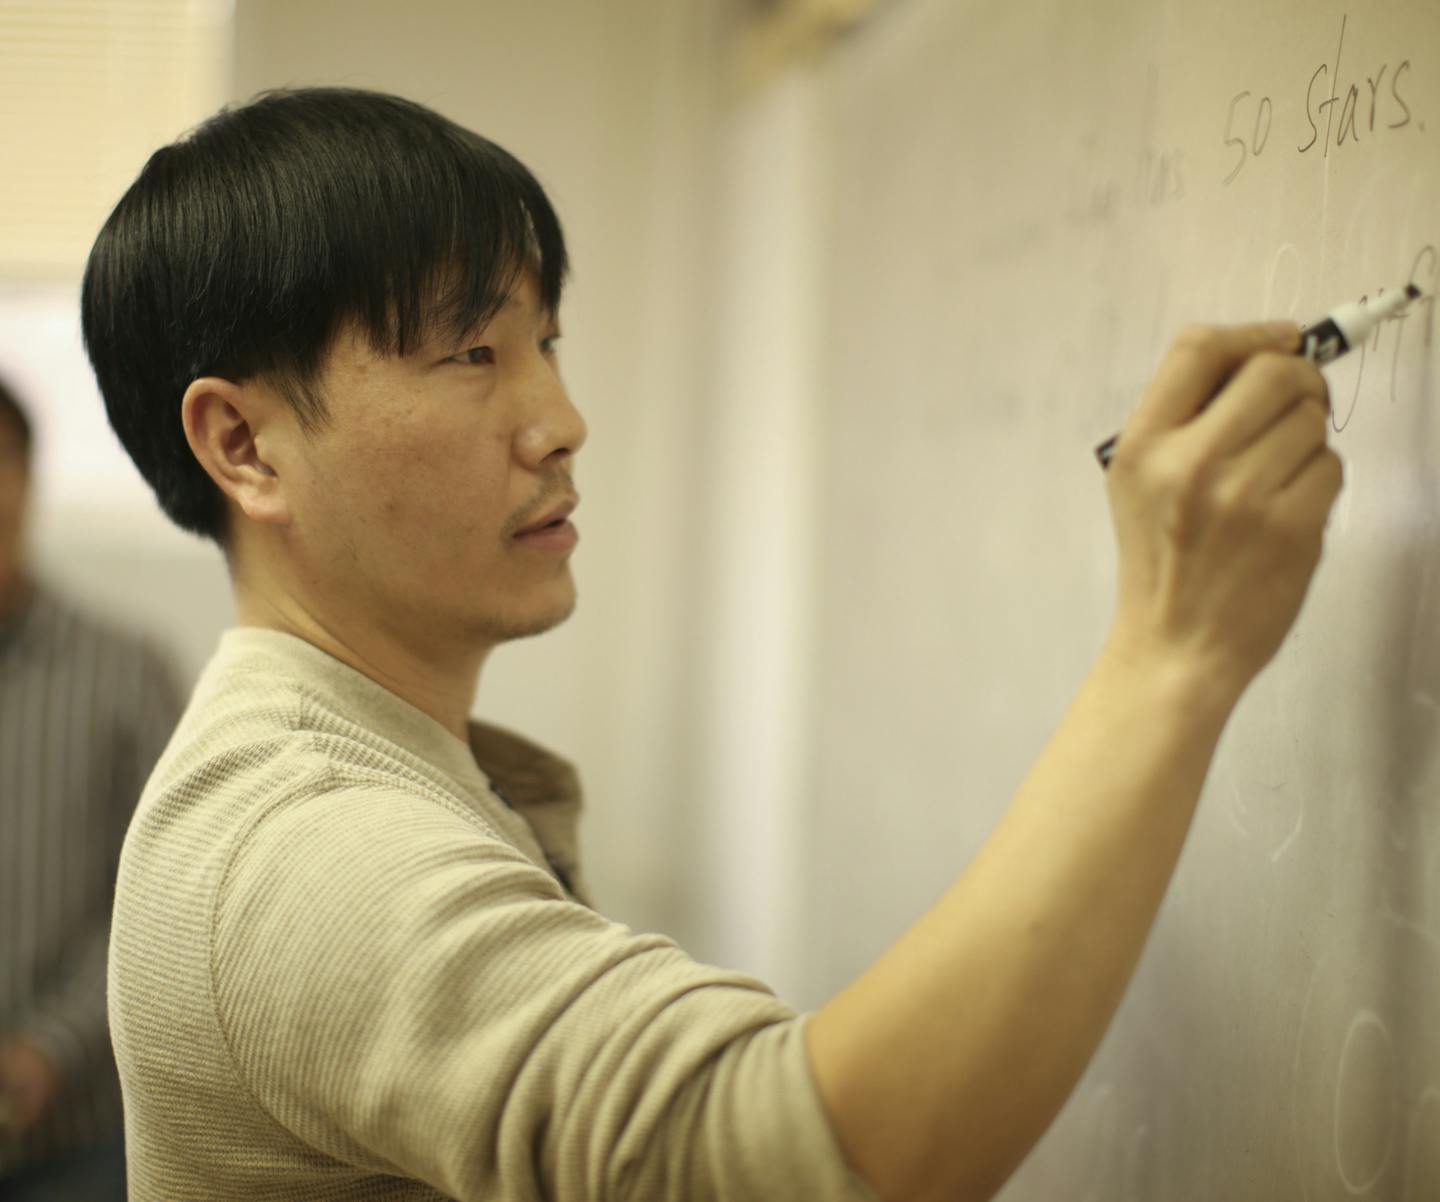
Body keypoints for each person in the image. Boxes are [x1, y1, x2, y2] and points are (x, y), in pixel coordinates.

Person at [81, 87, 1342, 1202]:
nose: (561, 420)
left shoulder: (359, 766)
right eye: (471, 352)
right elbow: (760, 1161)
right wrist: (1171, 652)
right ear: (243, 445)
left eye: (547, 342)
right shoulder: (295, 845)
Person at [0, 376, 181, 1201]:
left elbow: (162, 893)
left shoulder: (124, 671)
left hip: (80, 1140)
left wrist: (49, 1047)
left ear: (26, 479)